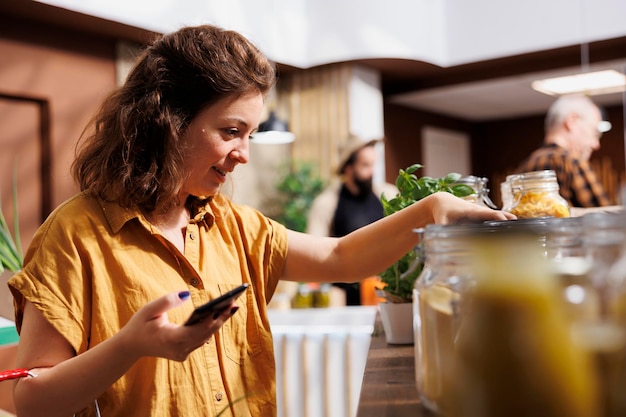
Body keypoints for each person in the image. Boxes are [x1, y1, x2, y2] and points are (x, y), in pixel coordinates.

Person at [7, 24, 514, 417]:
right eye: (231, 131)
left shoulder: (232, 224)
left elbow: (341, 256)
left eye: (251, 133)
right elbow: (25, 399)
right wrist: (130, 346)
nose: (243, 154)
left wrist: (431, 210)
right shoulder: (74, 235)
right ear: (166, 121)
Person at [307, 135, 398, 305]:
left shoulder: (389, 194)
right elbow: (314, 251)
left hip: (383, 293)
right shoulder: (326, 203)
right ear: (348, 168)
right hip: (342, 298)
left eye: (373, 165)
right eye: (365, 166)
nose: (372, 172)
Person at [516, 94, 612, 207]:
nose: (596, 144)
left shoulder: (525, 165)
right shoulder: (571, 162)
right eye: (594, 132)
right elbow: (604, 216)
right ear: (572, 122)